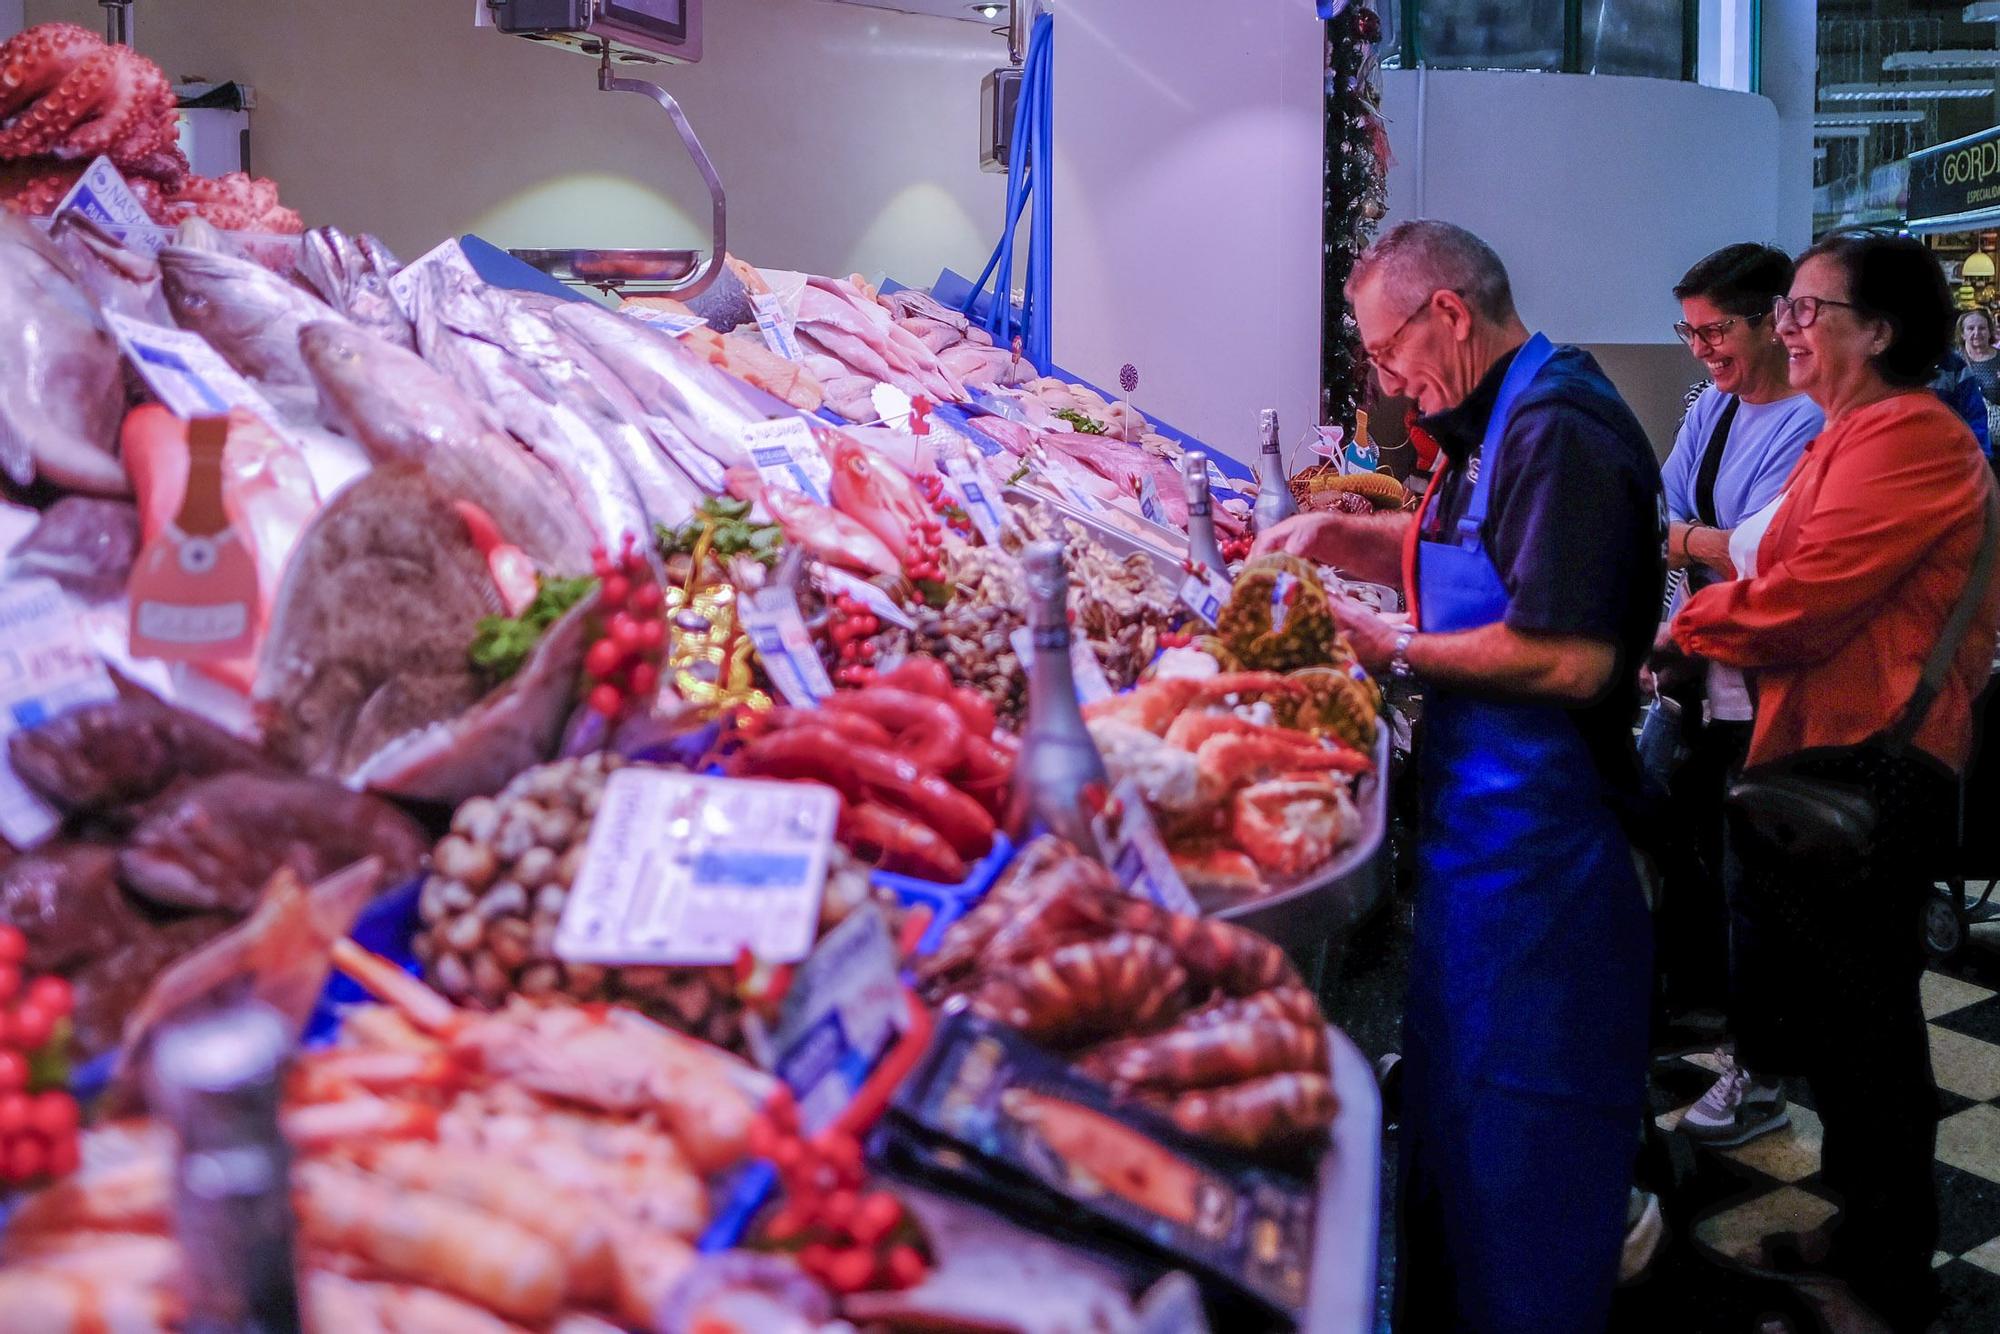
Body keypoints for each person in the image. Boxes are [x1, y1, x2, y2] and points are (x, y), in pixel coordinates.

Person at [1256, 219, 1664, 1332]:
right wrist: (1329, 540)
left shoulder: (1561, 425)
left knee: (1525, 1156)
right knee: (1456, 1142)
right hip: (1477, 850)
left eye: (1389, 354)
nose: (1386, 385)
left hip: (1547, 857)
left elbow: (1569, 655)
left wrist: (1378, 642)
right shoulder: (1485, 419)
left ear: (1449, 312)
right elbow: (1475, 561)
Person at [1672, 232, 2000, 1334]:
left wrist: (1680, 621)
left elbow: (1796, 594)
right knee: (1841, 1020)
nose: (1787, 328)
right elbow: (1770, 562)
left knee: (1868, 1028)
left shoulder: (1909, 437)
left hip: (1876, 763)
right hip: (1818, 746)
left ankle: (1885, 1276)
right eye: (1788, 311)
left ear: (1878, 331)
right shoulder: (1843, 432)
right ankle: (1859, 1230)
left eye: (1808, 310)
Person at [1654, 244, 1821, 1149]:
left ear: (1772, 321)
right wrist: (1695, 540)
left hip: (1768, 685)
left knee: (1755, 876)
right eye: (1690, 332)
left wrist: (1693, 540)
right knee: (1703, 856)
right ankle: (1709, 1015)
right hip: (1699, 661)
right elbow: (1676, 516)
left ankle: (1763, 1070)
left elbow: (1762, 552)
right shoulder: (1712, 408)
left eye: (1717, 330)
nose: (1703, 350)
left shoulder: (1811, 424)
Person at [1958, 306, 2000, 449]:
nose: (1977, 333)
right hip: (1961, 437)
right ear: (1962, 334)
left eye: (1982, 328)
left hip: (1995, 439)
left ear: (1990, 332)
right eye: (1970, 328)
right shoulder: (1954, 362)